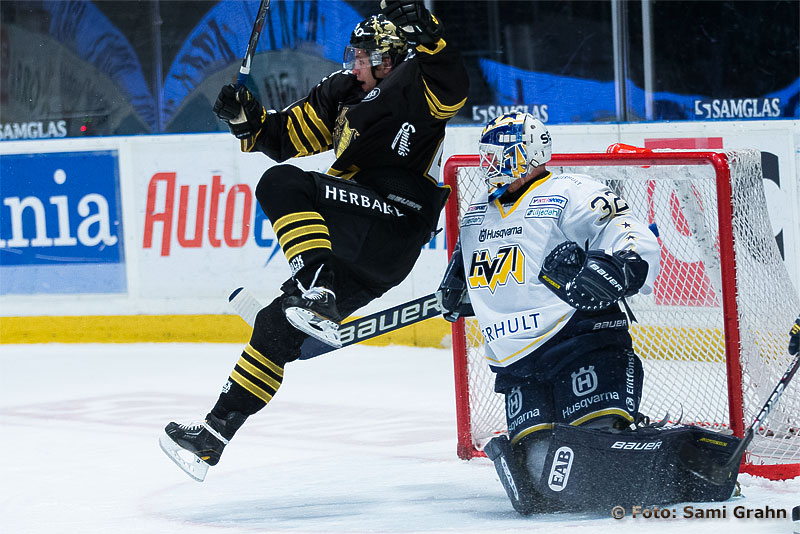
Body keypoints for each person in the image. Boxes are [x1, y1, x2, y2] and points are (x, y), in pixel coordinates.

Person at [159, 1, 468, 482]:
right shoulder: (343, 92)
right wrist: (248, 120)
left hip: (396, 222)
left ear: (390, 59)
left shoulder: (416, 83)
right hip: (361, 243)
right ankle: (212, 437)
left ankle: (317, 289)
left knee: (283, 184)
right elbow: (284, 135)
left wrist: (431, 36)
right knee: (276, 327)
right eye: (354, 55)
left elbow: (452, 85)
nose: (355, 65)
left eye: (364, 58)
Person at [438, 112, 740, 513]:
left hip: (580, 340)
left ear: (532, 153)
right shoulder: (478, 212)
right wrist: (457, 287)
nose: (493, 167)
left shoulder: (573, 191)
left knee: (597, 458)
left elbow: (627, 231)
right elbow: (474, 271)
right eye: (489, 158)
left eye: (504, 157)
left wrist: (620, 265)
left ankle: (686, 462)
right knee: (542, 476)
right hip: (515, 362)